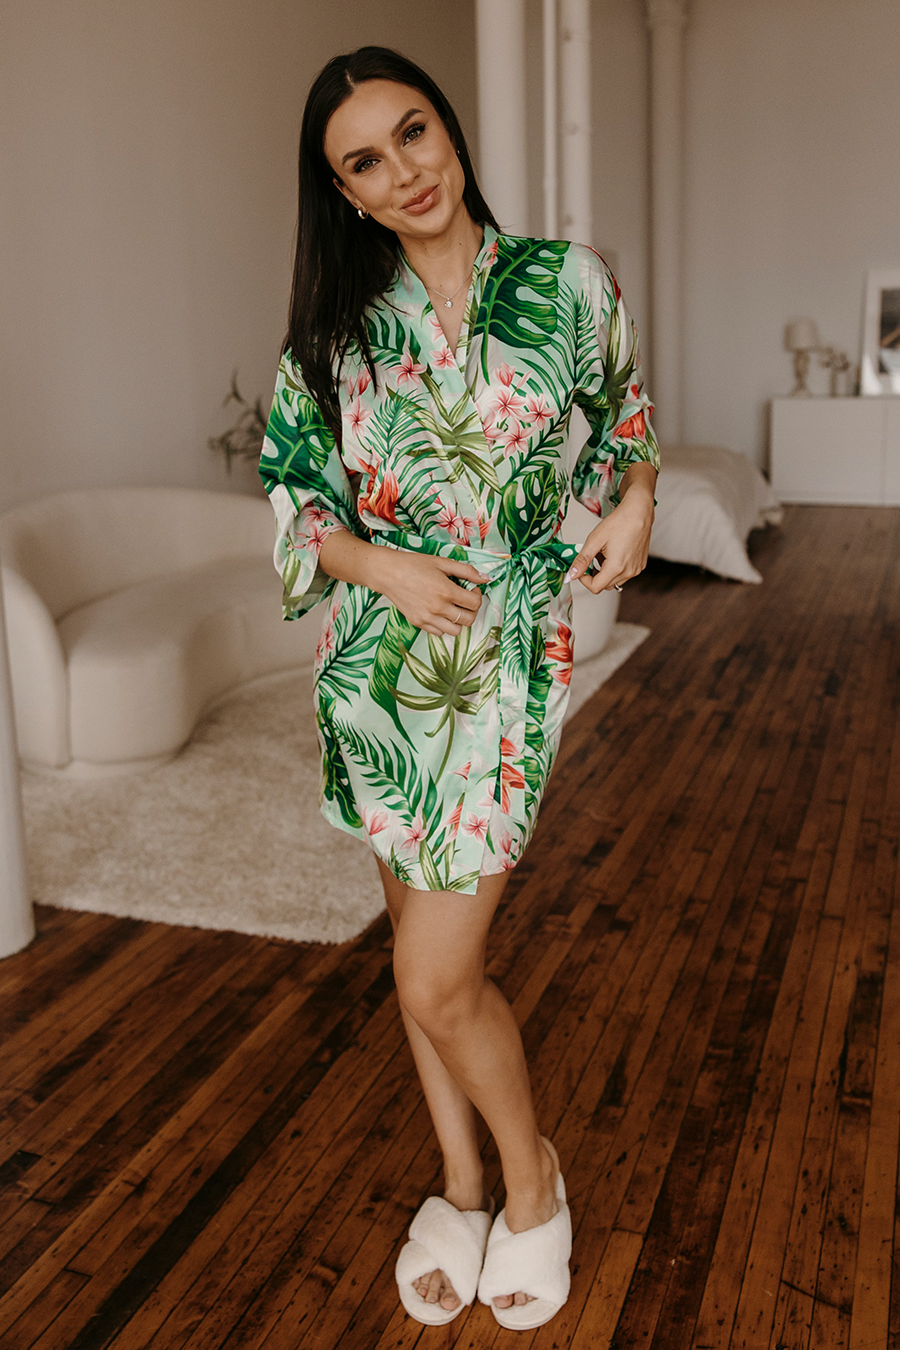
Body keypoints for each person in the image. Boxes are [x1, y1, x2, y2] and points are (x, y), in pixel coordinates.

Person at [259, 45, 659, 1332]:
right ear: (345, 193)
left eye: (414, 132)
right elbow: (293, 495)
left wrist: (638, 502)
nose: (403, 171)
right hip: (376, 678)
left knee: (440, 975)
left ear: (449, 129)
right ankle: (463, 1182)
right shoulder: (333, 329)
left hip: (507, 661)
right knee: (411, 953)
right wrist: (378, 563)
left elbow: (627, 416)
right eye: (365, 162)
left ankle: (534, 1182)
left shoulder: (565, 281)